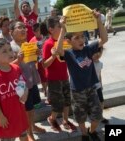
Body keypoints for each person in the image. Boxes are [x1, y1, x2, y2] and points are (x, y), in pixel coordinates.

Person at [55, 10, 108, 141]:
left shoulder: (88, 49)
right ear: (69, 41)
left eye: (82, 36)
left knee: (97, 115)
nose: (81, 40)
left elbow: (104, 39)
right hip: (77, 91)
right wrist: (63, 29)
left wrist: (98, 21)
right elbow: (58, 50)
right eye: (76, 37)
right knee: (80, 116)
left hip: (91, 89)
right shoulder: (68, 54)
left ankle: (92, 131)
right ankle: (84, 135)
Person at [10, 21, 45, 141]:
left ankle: (32, 126)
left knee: (32, 107)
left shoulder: (28, 44)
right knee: (26, 109)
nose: (23, 29)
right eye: (19, 27)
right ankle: (29, 132)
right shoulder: (9, 47)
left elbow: (33, 63)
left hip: (32, 80)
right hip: (21, 85)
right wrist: (18, 60)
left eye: (24, 27)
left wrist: (37, 54)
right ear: (12, 32)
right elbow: (6, 67)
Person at [0, 38, 29, 141]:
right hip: (6, 116)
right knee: (8, 138)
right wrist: (1, 117)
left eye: (10, 49)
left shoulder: (16, 68)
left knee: (23, 135)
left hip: (19, 113)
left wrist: (25, 93)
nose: (10, 53)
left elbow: (23, 84)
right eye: (4, 51)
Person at [42, 17, 76, 132]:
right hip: (54, 79)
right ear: (51, 30)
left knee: (67, 100)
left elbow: (67, 58)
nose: (62, 29)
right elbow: (44, 65)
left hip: (64, 76)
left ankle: (65, 120)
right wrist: (53, 56)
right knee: (57, 103)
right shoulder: (48, 44)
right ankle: (52, 118)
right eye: (59, 27)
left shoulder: (65, 42)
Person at [29, 23, 48, 100]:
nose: (38, 32)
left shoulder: (46, 38)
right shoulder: (32, 41)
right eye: (35, 31)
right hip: (39, 62)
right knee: (43, 78)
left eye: (39, 30)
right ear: (33, 32)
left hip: (47, 59)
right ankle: (45, 92)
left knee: (48, 77)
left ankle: (48, 91)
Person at [92, 48, 109, 124]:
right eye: (95, 52)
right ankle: (93, 116)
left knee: (101, 101)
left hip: (98, 86)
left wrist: (101, 84)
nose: (98, 54)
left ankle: (100, 116)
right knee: (92, 103)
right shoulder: (89, 64)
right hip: (90, 88)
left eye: (100, 52)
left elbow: (99, 75)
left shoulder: (100, 63)